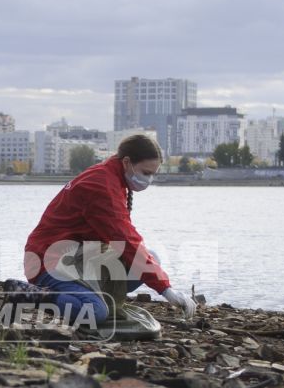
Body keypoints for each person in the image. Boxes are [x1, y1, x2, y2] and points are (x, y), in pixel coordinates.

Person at [23, 133, 194, 329]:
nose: (149, 180)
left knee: (150, 258)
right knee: (95, 312)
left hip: (75, 257)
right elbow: (125, 239)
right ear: (127, 162)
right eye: (146, 173)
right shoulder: (101, 186)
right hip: (47, 263)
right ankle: (34, 295)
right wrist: (165, 289)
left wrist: (161, 283)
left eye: (153, 174)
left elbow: (124, 239)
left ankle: (87, 295)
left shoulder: (113, 176)